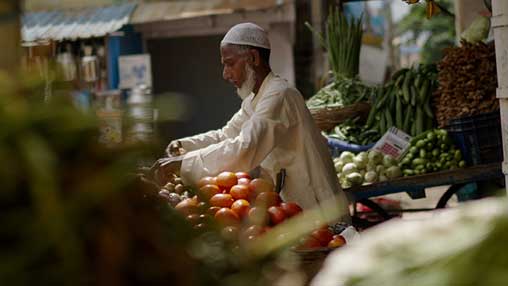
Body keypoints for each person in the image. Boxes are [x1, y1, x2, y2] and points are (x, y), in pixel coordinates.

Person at [157, 23, 350, 221]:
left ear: (253, 58)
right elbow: (226, 135)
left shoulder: (279, 95)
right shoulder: (255, 99)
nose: (225, 74)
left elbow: (246, 147)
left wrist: (183, 164)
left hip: (319, 209)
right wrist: (183, 146)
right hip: (295, 209)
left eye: (230, 64)